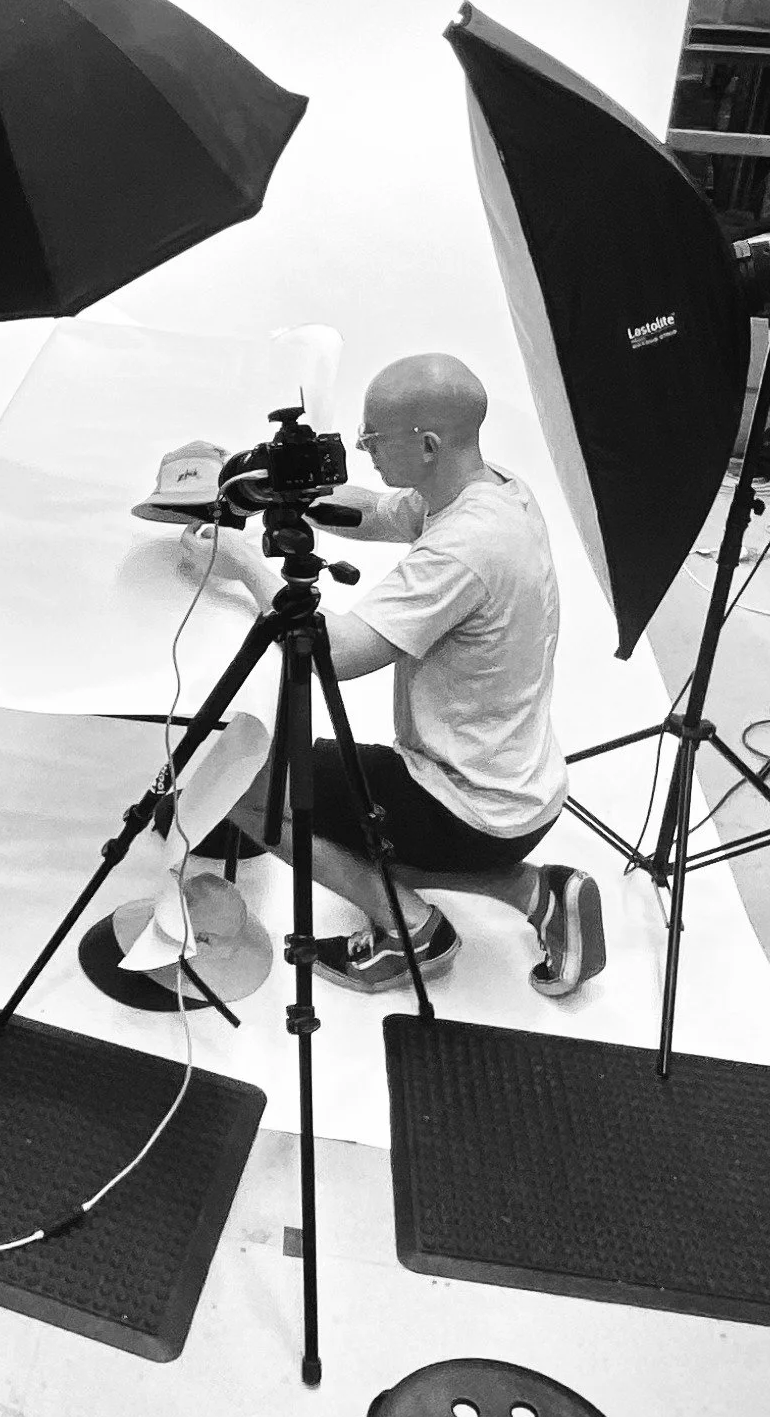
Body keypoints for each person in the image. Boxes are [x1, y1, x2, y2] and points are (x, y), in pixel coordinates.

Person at [182, 352, 606, 997]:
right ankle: (538, 892)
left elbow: (336, 653)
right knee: (361, 833)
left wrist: (240, 559)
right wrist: (282, 485)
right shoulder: (493, 490)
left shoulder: (463, 549)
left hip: (464, 803)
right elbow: (379, 512)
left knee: (247, 785)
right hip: (514, 789)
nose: (362, 447)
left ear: (428, 444)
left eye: (373, 437)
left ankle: (413, 933)